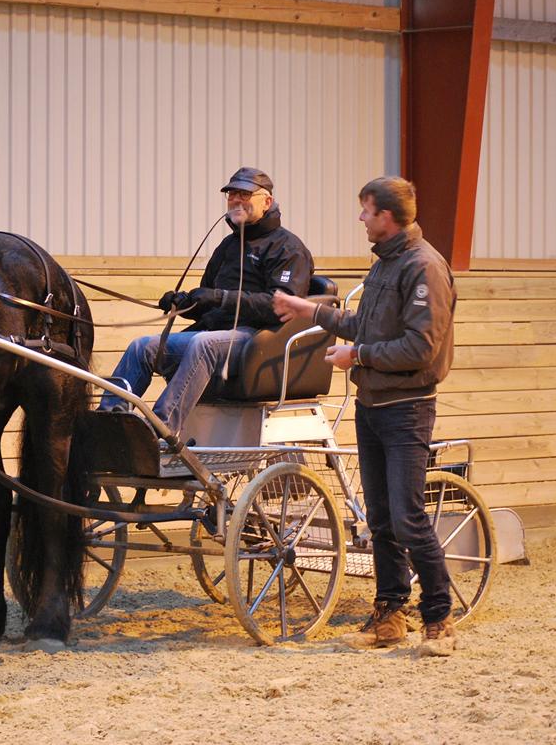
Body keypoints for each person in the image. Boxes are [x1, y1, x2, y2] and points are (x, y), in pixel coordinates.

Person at [273, 176, 458, 656]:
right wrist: (306, 308)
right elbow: (361, 324)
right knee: (379, 519)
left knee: (408, 517)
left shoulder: (424, 268)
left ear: (387, 216)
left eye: (366, 211)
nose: (360, 219)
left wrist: (359, 357)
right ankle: (390, 616)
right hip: (372, 405)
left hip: (407, 408)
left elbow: (421, 346)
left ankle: (438, 619)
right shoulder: (385, 266)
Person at [98, 166, 313, 438]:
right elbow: (209, 298)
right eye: (231, 194)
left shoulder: (288, 248)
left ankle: (161, 430)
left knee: (203, 344)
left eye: (244, 194)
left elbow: (282, 305)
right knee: (142, 346)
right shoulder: (228, 246)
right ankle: (107, 423)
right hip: (215, 334)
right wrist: (185, 302)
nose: (236, 200)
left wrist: (220, 297)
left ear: (267, 201)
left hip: (258, 339)